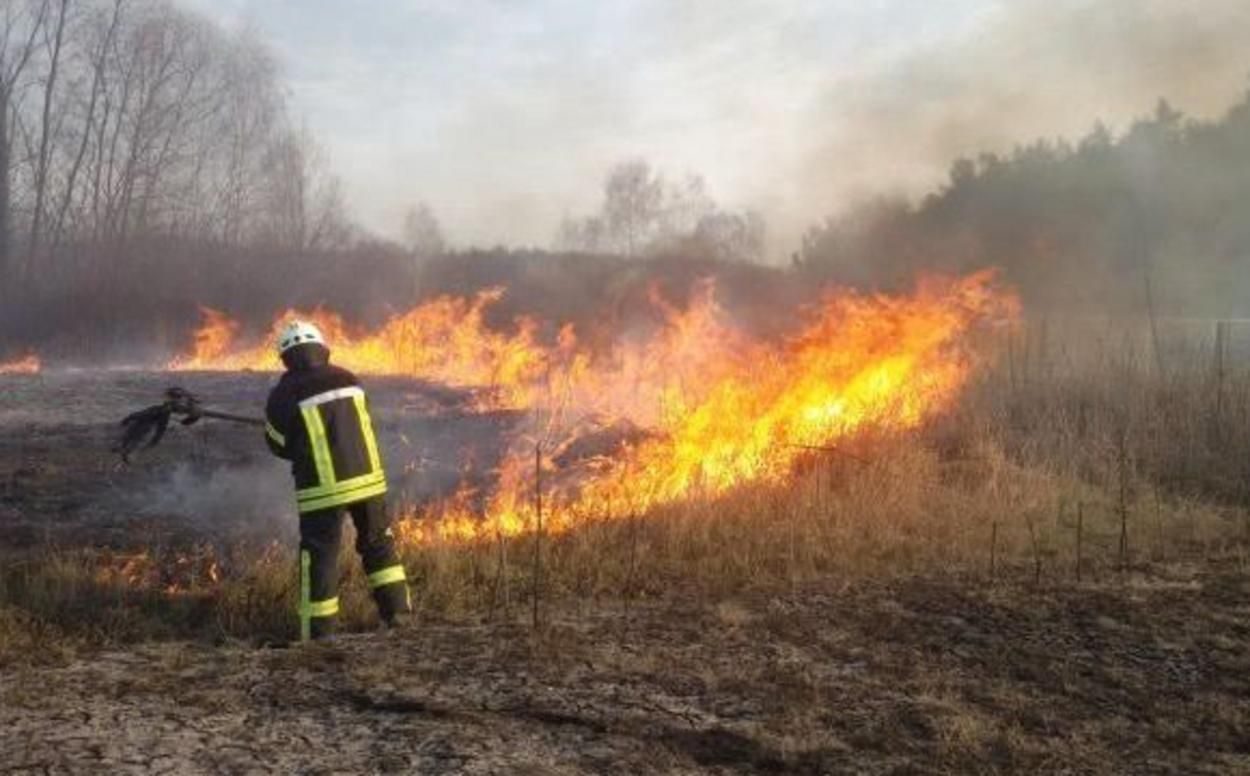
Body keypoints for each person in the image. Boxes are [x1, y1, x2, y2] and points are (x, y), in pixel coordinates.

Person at [263, 320, 411, 641]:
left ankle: (319, 635)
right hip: (368, 478)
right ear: (321, 348)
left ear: (286, 357)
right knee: (378, 544)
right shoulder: (349, 379)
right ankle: (399, 616)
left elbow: (277, 443)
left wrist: (300, 440)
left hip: (322, 489)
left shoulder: (284, 394)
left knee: (319, 557)